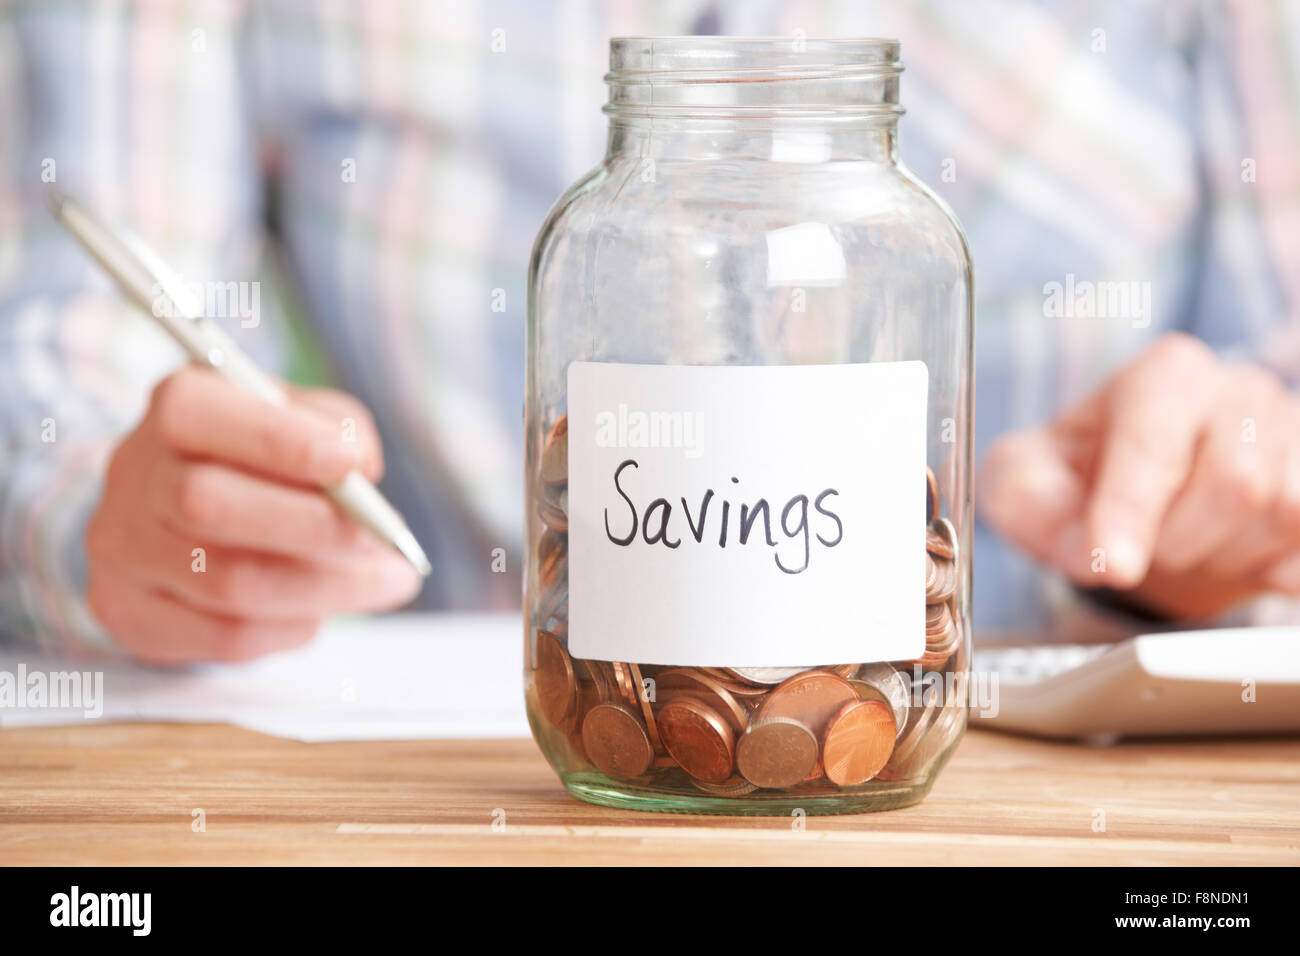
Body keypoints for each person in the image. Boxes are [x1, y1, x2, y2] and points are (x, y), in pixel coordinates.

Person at [1, 0, 1298, 663]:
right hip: (475, 790)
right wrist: (107, 519)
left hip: (1051, 785)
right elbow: (77, 331)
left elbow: (1279, 368)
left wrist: (1215, 519)